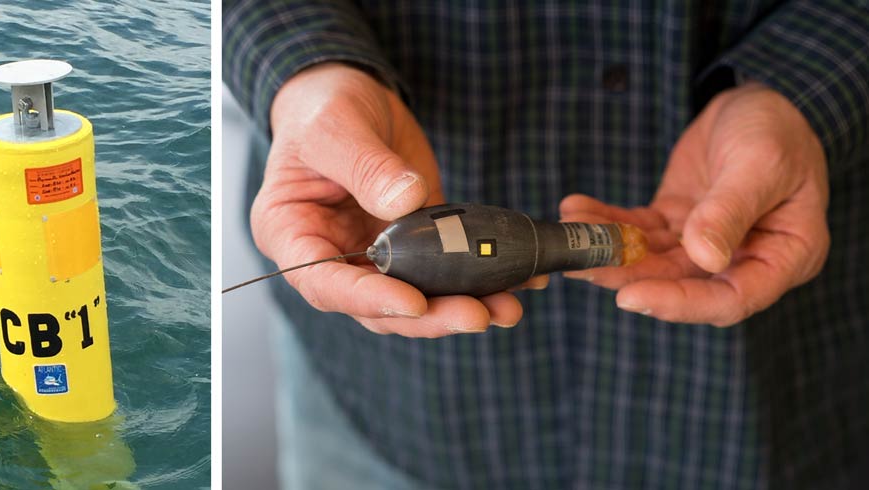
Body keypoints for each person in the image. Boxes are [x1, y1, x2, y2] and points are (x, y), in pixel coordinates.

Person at [224, 1, 869, 488]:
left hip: (772, 404)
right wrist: (306, 69)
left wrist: (803, 92)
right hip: (391, 412)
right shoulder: (395, 243)